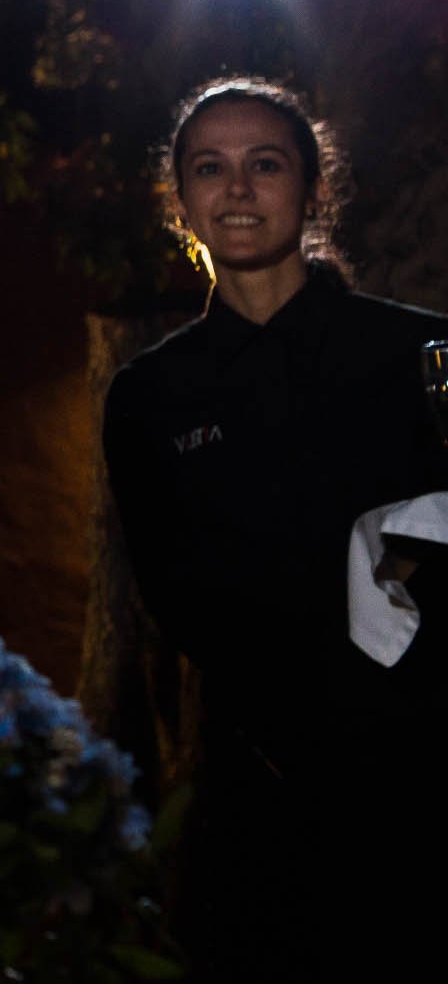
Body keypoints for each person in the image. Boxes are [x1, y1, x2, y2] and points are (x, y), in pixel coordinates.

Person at [103, 78, 447, 979]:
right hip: (254, 787)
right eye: (210, 168)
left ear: (314, 188)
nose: (239, 188)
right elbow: (179, 594)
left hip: (429, 778)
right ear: (180, 203)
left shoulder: (424, 356)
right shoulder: (149, 397)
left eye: (266, 163)